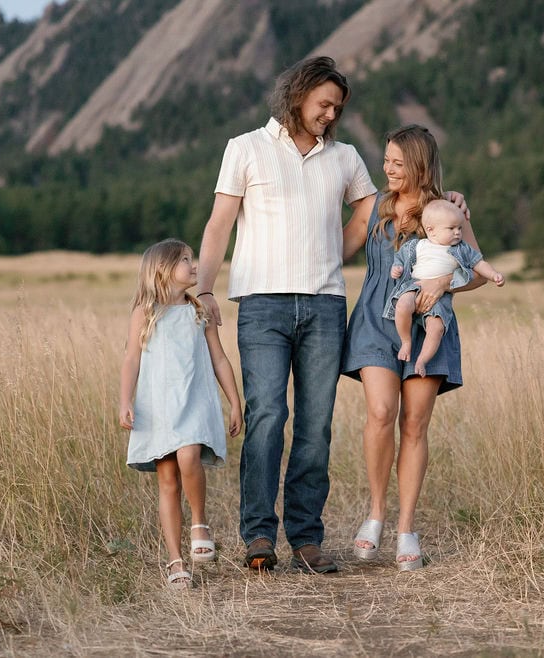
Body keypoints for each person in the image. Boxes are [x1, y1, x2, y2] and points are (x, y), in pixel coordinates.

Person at [196, 55, 378, 574]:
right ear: (297, 95)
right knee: (268, 416)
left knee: (316, 425)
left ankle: (306, 538)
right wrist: (203, 290)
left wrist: (334, 251)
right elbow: (218, 225)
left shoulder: (343, 157)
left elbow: (369, 209)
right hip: (261, 304)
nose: (330, 114)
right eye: (324, 104)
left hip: (324, 304)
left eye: (337, 108)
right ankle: (258, 534)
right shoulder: (246, 148)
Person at [341, 124, 489, 571]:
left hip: (431, 327)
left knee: (415, 424)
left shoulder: (449, 211)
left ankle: (407, 528)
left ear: (420, 165)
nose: (387, 169)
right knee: (381, 413)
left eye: (397, 163)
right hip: (374, 320)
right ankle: (376, 514)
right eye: (385, 160)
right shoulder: (374, 207)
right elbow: (336, 249)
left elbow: (478, 271)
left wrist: (446, 281)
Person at [118, 239, 242, 590]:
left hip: (193, 402)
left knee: (189, 456)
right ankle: (175, 561)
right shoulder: (145, 312)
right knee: (168, 481)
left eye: (192, 258)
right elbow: (131, 359)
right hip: (157, 407)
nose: (194, 265)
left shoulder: (199, 311)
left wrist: (233, 401)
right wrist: (125, 400)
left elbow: (219, 358)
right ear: (162, 270)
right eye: (185, 260)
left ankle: (199, 523)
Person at [385, 200, 505, 377]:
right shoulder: (417, 245)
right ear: (431, 230)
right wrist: (397, 268)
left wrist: (494, 274)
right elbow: (400, 259)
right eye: (451, 229)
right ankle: (406, 341)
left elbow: (479, 263)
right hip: (415, 286)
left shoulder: (461, 248)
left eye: (459, 228)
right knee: (402, 305)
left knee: (437, 328)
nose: (457, 233)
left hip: (440, 298)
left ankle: (422, 360)